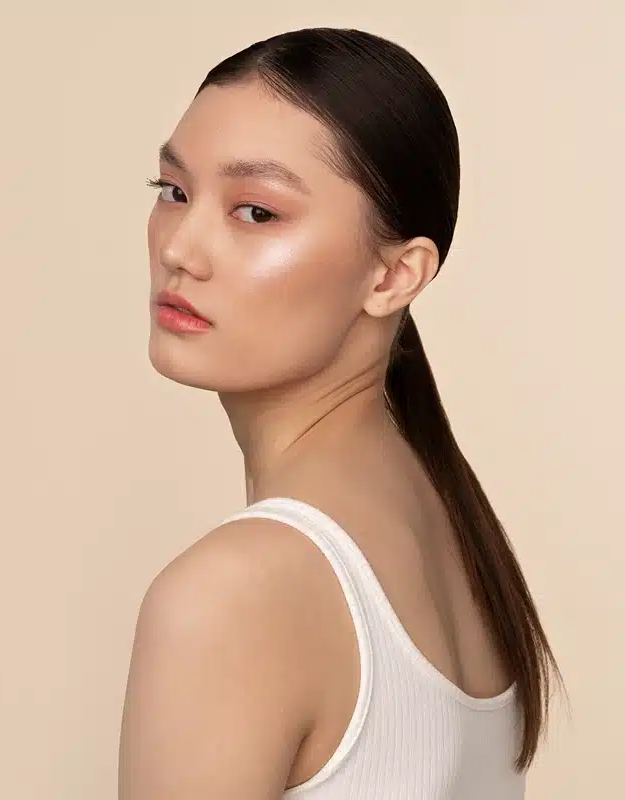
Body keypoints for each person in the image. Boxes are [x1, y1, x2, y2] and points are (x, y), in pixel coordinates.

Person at [117, 28, 562, 799]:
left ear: (394, 276)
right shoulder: (450, 526)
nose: (181, 249)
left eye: (256, 212)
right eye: (174, 191)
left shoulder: (234, 594)